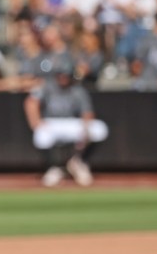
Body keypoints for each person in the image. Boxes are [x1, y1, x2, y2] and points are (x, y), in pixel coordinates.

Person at [23, 57, 109, 187]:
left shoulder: (78, 90)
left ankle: (77, 162)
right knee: (40, 135)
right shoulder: (47, 86)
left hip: (72, 123)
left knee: (99, 128)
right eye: (61, 75)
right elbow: (30, 102)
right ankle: (55, 167)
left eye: (66, 75)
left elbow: (87, 113)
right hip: (52, 123)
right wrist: (36, 122)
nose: (63, 78)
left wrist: (85, 131)